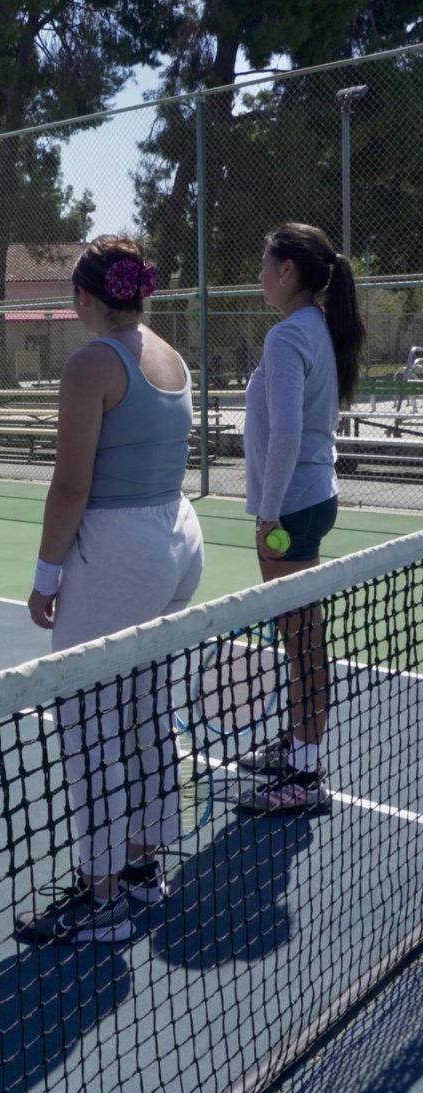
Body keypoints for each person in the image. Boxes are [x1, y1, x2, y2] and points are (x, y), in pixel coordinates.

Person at [14, 235, 204, 946]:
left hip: (120, 552)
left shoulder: (92, 362)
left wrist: (45, 575)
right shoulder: (170, 354)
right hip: (179, 543)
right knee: (146, 711)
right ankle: (142, 871)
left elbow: (71, 484)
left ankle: (102, 899)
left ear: (85, 298)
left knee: (90, 726)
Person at [237, 223, 365, 814]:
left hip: (291, 505)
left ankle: (306, 776)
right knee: (301, 638)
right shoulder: (317, 327)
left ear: (287, 271)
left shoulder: (289, 337)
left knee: (302, 642)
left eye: (265, 263)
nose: (260, 273)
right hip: (313, 496)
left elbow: (287, 433)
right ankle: (297, 744)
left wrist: (267, 513)